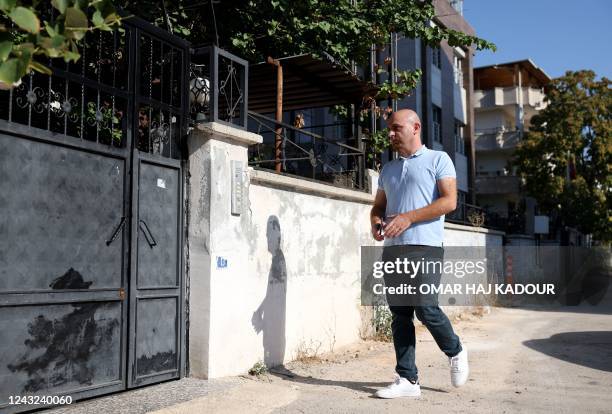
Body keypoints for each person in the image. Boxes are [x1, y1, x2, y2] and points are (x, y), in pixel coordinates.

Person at [370, 109, 469, 398]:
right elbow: (378, 207)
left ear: (416, 128)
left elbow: (449, 201)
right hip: (393, 251)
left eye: (396, 128)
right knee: (400, 315)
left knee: (426, 308)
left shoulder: (439, 160)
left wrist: (409, 217)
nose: (390, 133)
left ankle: (456, 350)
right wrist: (376, 222)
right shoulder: (387, 169)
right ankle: (407, 380)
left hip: (425, 247)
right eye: (389, 128)